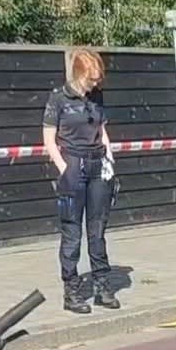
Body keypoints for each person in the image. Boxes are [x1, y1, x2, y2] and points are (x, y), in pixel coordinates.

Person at [43, 49, 118, 314]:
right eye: (90, 80)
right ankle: (72, 290)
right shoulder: (58, 98)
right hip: (73, 164)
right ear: (77, 74)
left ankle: (102, 285)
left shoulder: (97, 97)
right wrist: (65, 169)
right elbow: (49, 141)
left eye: (97, 80)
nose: (94, 85)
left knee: (97, 231)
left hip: (97, 164)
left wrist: (109, 158)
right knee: (72, 232)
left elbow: (102, 131)